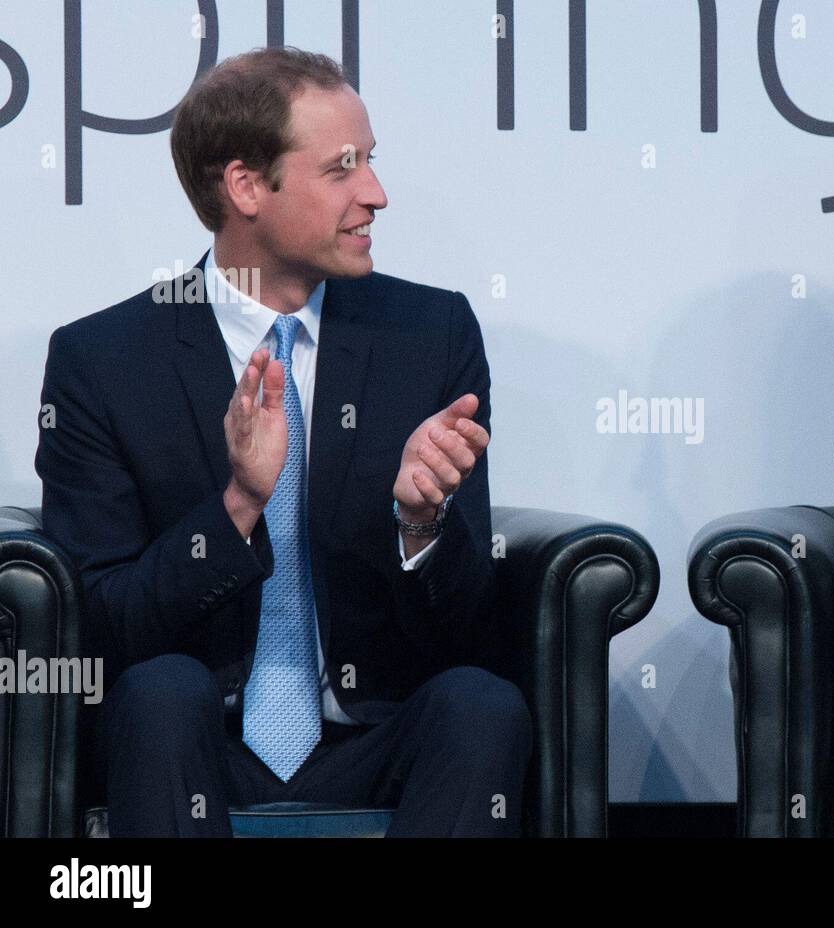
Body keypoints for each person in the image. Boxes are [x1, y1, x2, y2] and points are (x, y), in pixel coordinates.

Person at [35, 47, 531, 837]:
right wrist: (237, 505)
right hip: (192, 745)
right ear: (244, 187)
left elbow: (469, 632)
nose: (377, 194)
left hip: (370, 734)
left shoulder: (429, 336)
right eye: (342, 168)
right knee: (162, 692)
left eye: (371, 162)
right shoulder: (104, 362)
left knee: (480, 706)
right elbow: (97, 629)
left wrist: (421, 525)